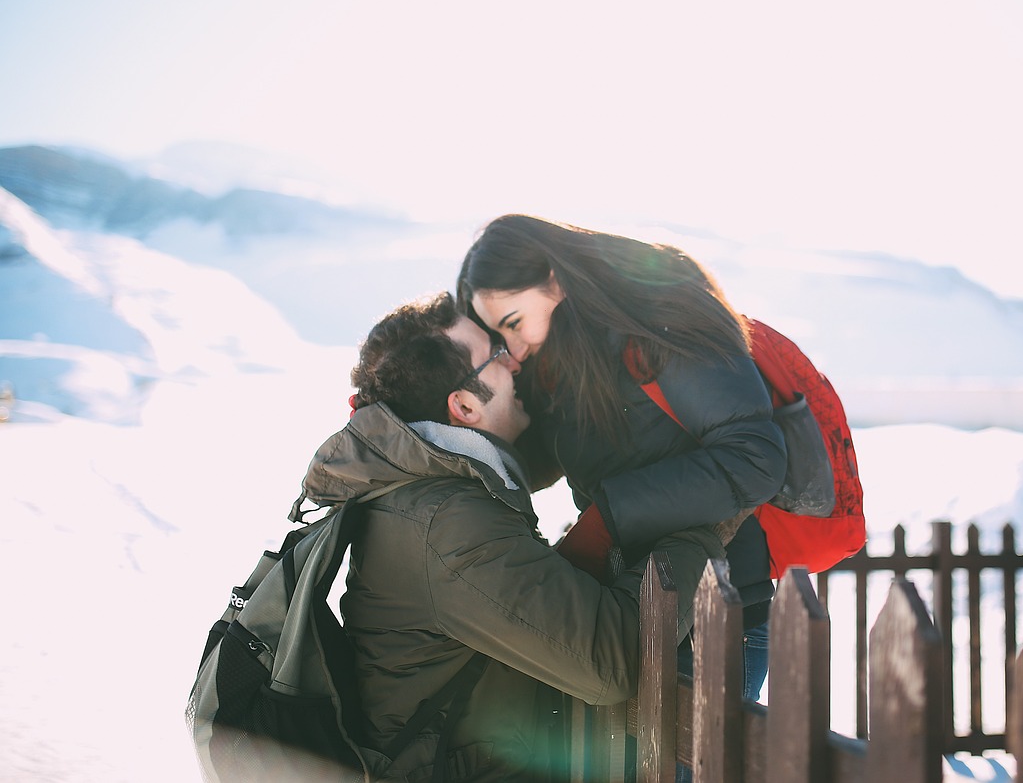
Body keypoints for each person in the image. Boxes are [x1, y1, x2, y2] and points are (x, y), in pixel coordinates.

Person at [300, 292, 727, 782]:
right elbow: (614, 659)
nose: (516, 363)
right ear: (463, 405)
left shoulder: (427, 498)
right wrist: (699, 524)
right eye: (497, 355)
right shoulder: (448, 523)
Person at [455, 214, 787, 705]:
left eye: (514, 324)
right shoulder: (567, 349)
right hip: (628, 606)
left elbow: (755, 457)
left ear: (554, 279)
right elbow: (558, 452)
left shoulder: (660, 313)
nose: (516, 349)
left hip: (714, 612)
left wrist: (608, 518)